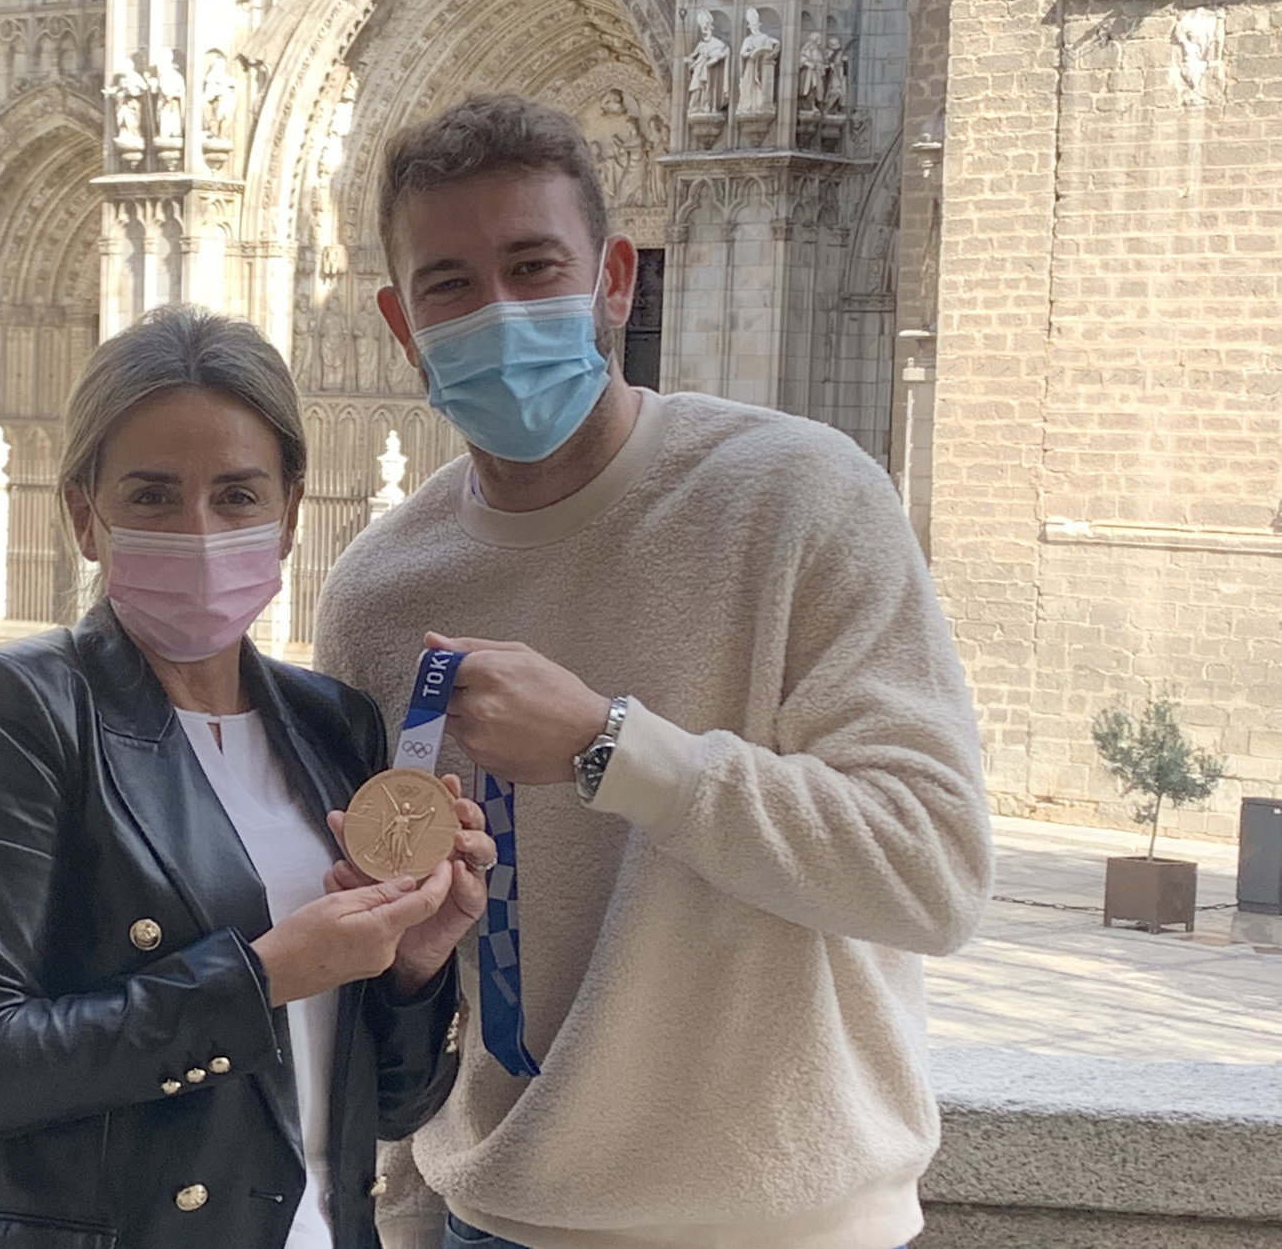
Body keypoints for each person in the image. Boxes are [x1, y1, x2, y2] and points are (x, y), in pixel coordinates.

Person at [317, 94, 994, 1249]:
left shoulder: (799, 498)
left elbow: (930, 870)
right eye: (450, 286)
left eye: (535, 266)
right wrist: (406, 1214)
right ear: (399, 322)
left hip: (782, 1226)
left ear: (614, 280)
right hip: (496, 1220)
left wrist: (609, 747)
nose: (497, 313)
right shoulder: (378, 594)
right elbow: (383, 954)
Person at [0, 304, 498, 1249]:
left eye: (236, 495)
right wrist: (261, 977)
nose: (200, 530)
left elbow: (388, 1108)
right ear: (82, 514)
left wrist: (415, 963)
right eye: (151, 496)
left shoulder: (331, 724)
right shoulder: (22, 707)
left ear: (291, 513)